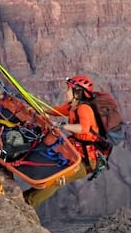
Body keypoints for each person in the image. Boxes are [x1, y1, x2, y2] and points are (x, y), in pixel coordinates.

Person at [23, 75, 103, 207]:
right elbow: (55, 111)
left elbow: (83, 128)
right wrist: (37, 108)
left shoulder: (84, 108)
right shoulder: (73, 106)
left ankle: (29, 203)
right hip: (75, 152)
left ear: (78, 93)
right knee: (50, 171)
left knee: (57, 179)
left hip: (86, 160)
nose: (66, 92)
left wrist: (61, 125)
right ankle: (27, 196)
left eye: (69, 90)